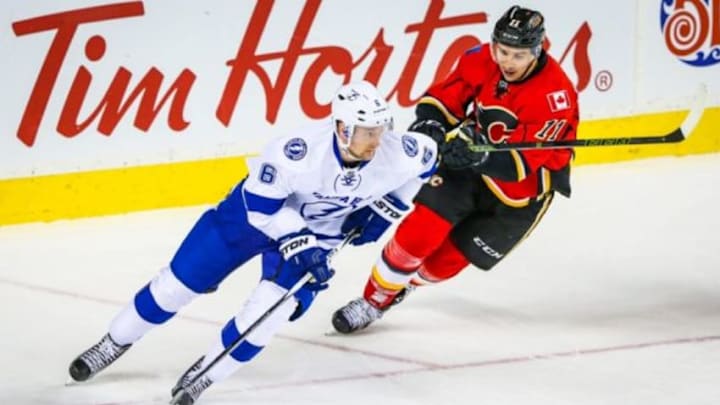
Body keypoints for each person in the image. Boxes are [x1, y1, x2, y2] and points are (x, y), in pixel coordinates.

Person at [68, 80, 438, 404]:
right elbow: (263, 209)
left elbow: (426, 160)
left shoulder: (394, 150)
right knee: (175, 287)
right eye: (368, 132)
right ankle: (113, 343)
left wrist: (388, 209)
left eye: (380, 129)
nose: (378, 139)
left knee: (268, 314)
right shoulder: (297, 153)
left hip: (322, 232)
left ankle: (205, 375)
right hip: (249, 220)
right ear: (343, 128)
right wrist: (301, 242)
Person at [332, 5, 579, 334]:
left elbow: (518, 165)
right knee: (419, 230)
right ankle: (373, 301)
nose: (507, 61)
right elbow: (445, 99)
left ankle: (405, 287)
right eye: (502, 50)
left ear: (537, 50)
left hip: (521, 193)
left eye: (518, 55)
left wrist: (478, 156)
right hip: (469, 166)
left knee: (443, 263)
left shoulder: (555, 96)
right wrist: (431, 123)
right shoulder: (480, 58)